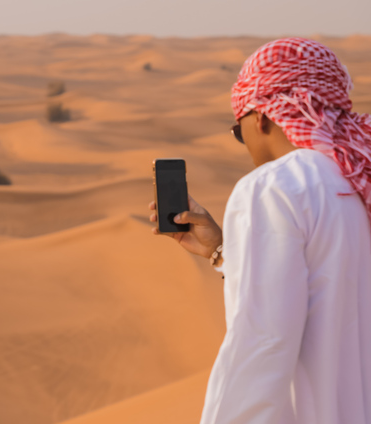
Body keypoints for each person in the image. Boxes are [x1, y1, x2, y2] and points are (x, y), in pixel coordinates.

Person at [150, 38, 371, 423]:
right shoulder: (359, 177)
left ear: (261, 118)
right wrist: (222, 252)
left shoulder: (274, 186)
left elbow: (262, 343)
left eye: (239, 130)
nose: (244, 143)